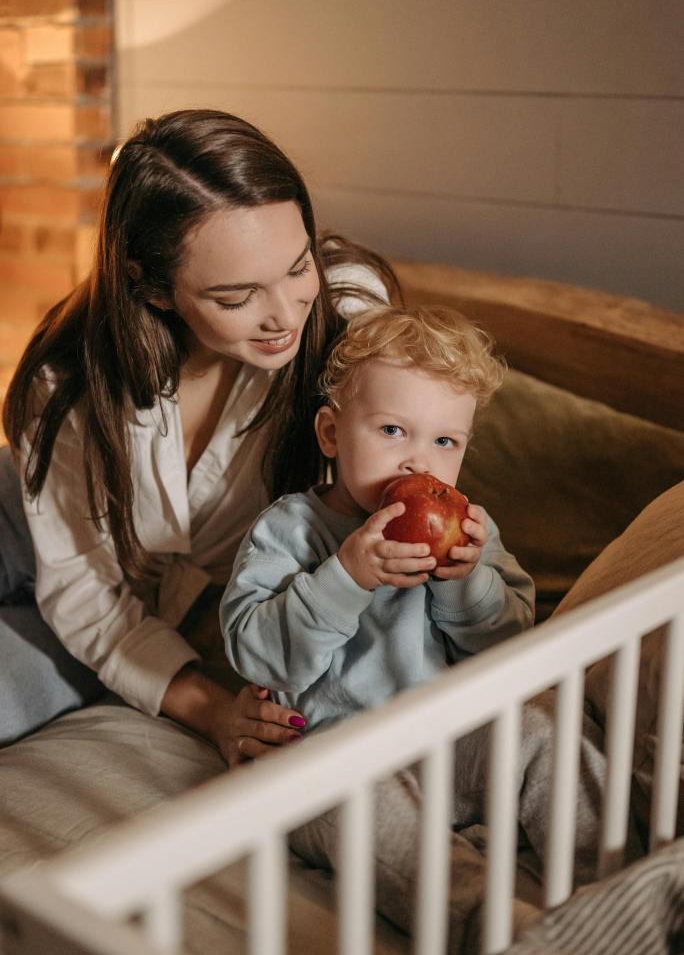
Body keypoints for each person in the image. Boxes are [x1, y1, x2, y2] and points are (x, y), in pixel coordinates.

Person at [0, 108, 399, 763]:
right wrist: (215, 713)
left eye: (298, 266)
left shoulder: (346, 314)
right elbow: (79, 584)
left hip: (128, 582)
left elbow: (416, 452)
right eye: (237, 297)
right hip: (32, 508)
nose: (285, 315)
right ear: (153, 289)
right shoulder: (69, 381)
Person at [220, 305, 620, 951]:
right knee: (361, 811)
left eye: (445, 443)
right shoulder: (290, 531)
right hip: (336, 759)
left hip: (448, 740)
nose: (419, 465)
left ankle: (618, 874)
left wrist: (465, 582)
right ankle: (493, 925)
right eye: (392, 430)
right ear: (331, 433)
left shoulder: (468, 532)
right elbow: (256, 653)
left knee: (540, 726)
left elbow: (512, 648)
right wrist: (346, 578)